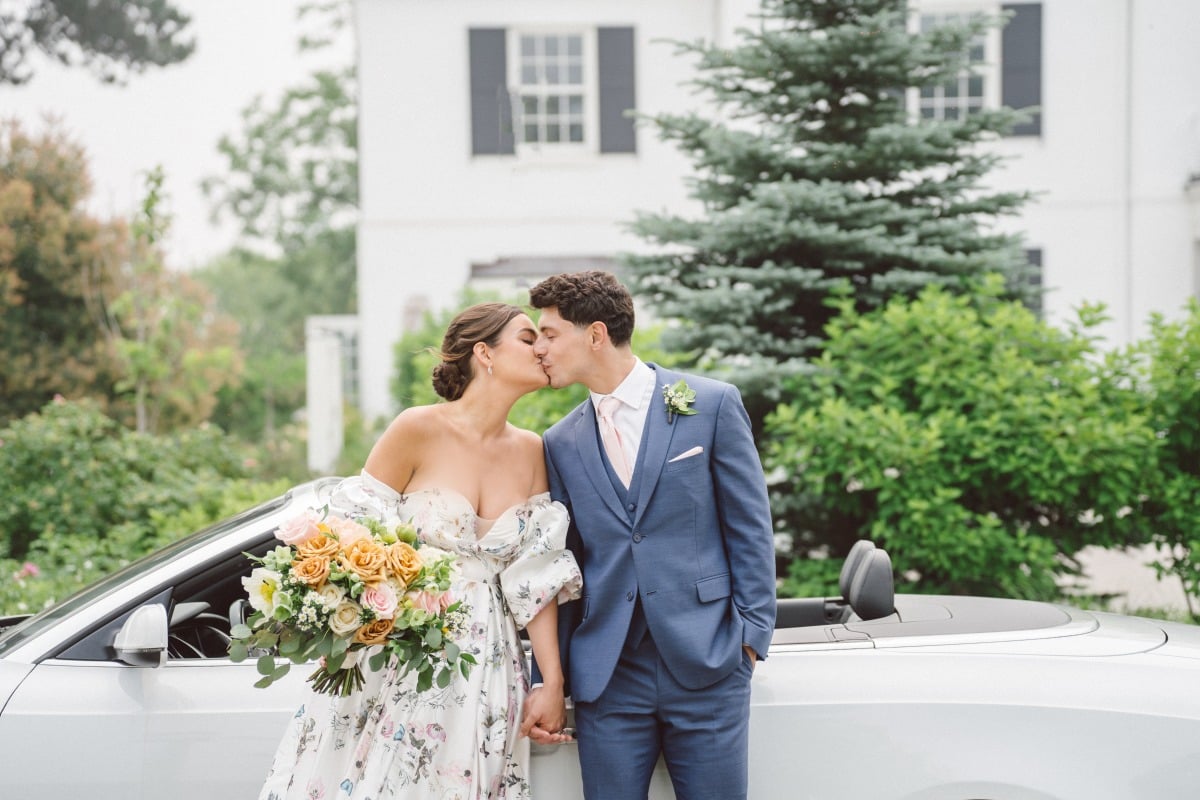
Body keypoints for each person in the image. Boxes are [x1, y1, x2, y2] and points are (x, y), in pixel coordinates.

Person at [258, 302, 582, 800]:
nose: (541, 347)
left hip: (486, 661)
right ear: (484, 353)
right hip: (402, 650)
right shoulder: (416, 428)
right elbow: (352, 532)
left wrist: (551, 682)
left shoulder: (531, 450)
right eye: (526, 337)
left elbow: (534, 578)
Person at [522, 271, 776, 800]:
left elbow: (750, 528)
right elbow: (568, 564)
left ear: (595, 334)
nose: (539, 348)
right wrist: (557, 677)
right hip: (609, 675)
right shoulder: (560, 441)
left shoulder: (710, 405)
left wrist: (750, 640)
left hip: (709, 661)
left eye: (549, 334)